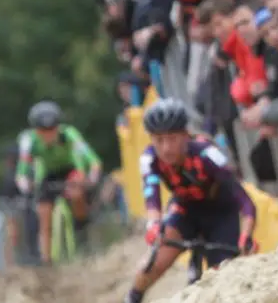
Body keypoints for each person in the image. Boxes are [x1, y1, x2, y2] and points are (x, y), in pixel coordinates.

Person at [124, 99, 257, 303]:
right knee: (152, 264)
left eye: (172, 138)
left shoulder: (207, 155)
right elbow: (152, 198)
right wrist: (154, 226)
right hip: (186, 208)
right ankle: (132, 299)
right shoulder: (150, 158)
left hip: (221, 213)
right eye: (159, 140)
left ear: (185, 135)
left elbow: (246, 204)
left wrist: (246, 236)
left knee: (222, 276)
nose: (166, 147)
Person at [15, 101, 102, 266]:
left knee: (77, 189)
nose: (48, 135)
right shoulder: (28, 140)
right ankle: (46, 260)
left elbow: (91, 159)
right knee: (43, 213)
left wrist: (91, 177)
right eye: (43, 131)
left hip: (71, 170)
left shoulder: (69, 134)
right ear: (35, 130)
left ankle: (81, 227)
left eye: (52, 130)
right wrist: (25, 184)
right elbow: (22, 169)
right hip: (48, 175)